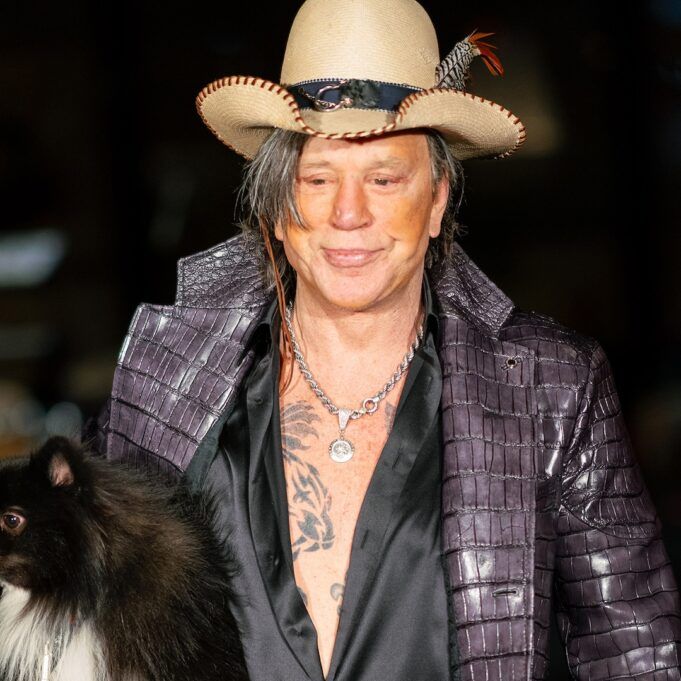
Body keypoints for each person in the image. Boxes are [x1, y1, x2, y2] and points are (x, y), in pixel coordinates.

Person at [92, 0, 681, 679]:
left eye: (383, 178)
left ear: (436, 200)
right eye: (318, 179)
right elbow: (77, 616)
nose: (349, 213)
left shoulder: (551, 385)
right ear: (275, 207)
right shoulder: (164, 371)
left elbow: (634, 653)